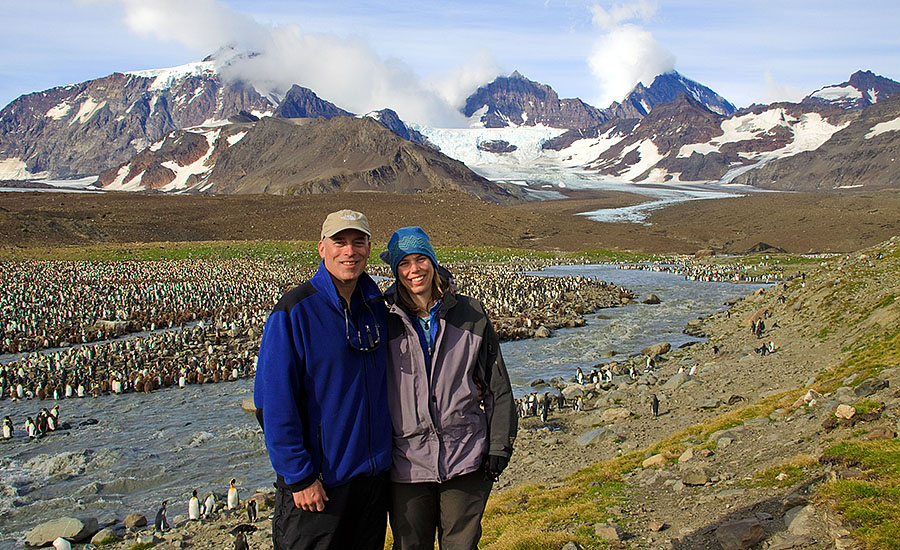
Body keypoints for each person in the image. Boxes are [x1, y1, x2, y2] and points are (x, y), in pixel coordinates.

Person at [254, 209, 391, 550]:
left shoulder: (377, 307)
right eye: (339, 242)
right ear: (322, 248)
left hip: (371, 483)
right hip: (318, 487)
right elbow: (271, 402)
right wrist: (299, 476)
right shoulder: (295, 311)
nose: (349, 251)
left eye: (358, 242)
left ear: (369, 248)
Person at [380, 226, 517, 550]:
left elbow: (498, 387)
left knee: (461, 545)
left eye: (421, 259)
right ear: (396, 270)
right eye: (404, 263)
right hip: (406, 463)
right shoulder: (383, 317)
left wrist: (500, 445)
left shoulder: (470, 313)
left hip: (465, 457)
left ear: (433, 260)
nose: (414, 270)